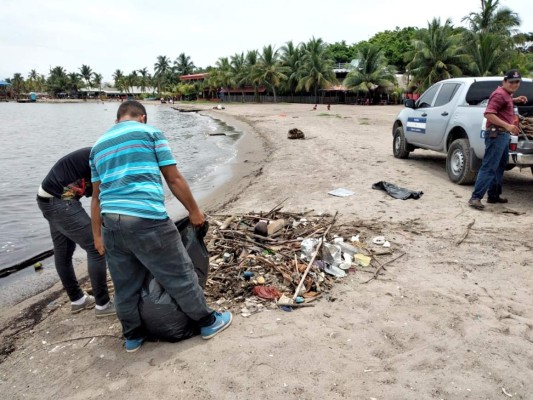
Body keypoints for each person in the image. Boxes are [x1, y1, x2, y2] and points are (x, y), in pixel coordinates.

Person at [90, 100, 232, 353]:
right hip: (146, 219)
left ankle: (132, 337)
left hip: (111, 223)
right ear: (142, 117)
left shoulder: (98, 146)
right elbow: (173, 177)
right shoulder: (150, 132)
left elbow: (96, 197)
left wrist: (97, 236)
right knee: (179, 273)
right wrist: (194, 211)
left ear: (116, 120)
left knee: (124, 285)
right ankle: (207, 322)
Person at [37, 148, 115, 317]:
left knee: (63, 251)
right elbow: (100, 199)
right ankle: (103, 305)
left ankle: (77, 300)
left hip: (47, 198)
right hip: (59, 201)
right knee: (96, 248)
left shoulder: (104, 153)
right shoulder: (105, 158)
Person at [468, 69, 528, 210]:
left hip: (503, 135)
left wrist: (515, 100)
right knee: (489, 166)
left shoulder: (506, 95)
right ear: (505, 81)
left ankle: (493, 195)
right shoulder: (500, 94)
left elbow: (504, 103)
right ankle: (475, 198)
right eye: (512, 82)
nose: (515, 85)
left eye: (517, 82)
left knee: (499, 166)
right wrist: (508, 125)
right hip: (497, 135)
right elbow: (488, 114)